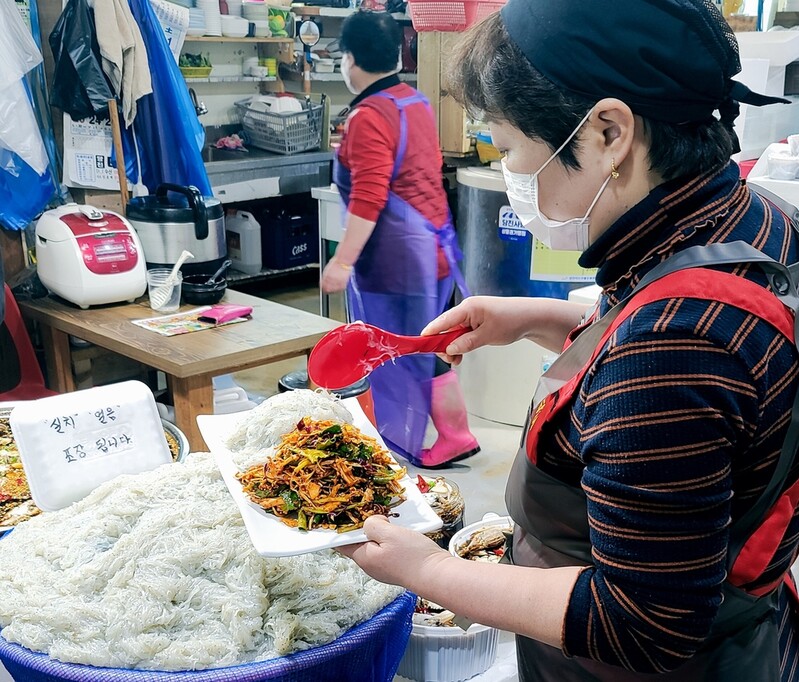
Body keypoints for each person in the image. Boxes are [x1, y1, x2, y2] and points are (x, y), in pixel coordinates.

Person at [339, 1, 799, 679]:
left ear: (608, 132)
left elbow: (642, 622)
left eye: (508, 146)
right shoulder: (750, 215)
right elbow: (715, 390)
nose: (510, 173)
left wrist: (430, 571)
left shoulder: (670, 346)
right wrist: (539, 318)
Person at [320, 11, 479, 468]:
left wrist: (342, 262)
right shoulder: (414, 101)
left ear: (350, 59)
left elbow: (369, 197)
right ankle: (455, 434)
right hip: (434, 249)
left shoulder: (369, 116)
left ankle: (391, 450)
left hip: (397, 261)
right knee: (426, 346)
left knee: (389, 351)